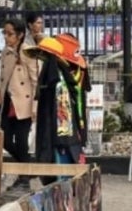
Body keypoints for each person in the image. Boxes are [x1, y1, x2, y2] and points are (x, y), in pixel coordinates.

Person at [27, 33, 88, 177]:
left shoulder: (61, 75)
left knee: (64, 164)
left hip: (63, 133)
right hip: (66, 130)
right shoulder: (66, 73)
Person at [0, 17, 39, 183]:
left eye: (10, 34)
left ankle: (24, 178)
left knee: (21, 140)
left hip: (23, 102)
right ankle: (27, 165)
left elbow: (36, 81)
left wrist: (35, 106)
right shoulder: (5, 52)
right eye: (4, 33)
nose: (6, 37)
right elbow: (2, 77)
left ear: (20, 35)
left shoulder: (28, 52)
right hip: (7, 101)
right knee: (3, 138)